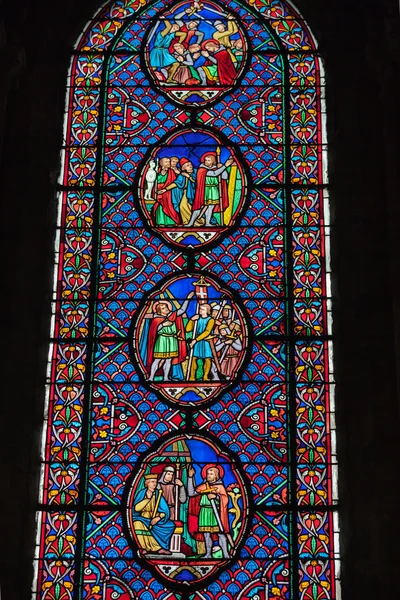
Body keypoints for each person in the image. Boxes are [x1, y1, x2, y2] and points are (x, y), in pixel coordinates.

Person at [187, 464, 231, 559]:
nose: (208, 475)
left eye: (211, 474)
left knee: (220, 533)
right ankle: (208, 554)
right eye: (207, 473)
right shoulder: (204, 486)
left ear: (216, 475)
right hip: (204, 512)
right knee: (206, 535)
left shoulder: (219, 487)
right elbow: (191, 493)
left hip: (216, 513)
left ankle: (226, 554)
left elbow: (225, 499)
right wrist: (190, 477)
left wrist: (216, 497)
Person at [144, 297, 192, 381]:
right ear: (159, 311)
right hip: (162, 340)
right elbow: (154, 331)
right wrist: (162, 325)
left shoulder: (172, 316)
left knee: (168, 360)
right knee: (157, 360)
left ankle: (166, 377)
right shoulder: (156, 319)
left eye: (166, 307)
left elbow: (182, 310)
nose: (166, 309)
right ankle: (151, 377)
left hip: (172, 340)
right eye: (163, 308)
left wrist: (188, 298)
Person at [132, 473, 175, 555]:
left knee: (171, 525)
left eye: (155, 482)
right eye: (152, 482)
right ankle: (143, 547)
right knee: (137, 524)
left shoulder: (158, 494)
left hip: (156, 519)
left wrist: (158, 517)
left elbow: (165, 510)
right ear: (147, 483)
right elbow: (136, 508)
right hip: (142, 518)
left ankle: (160, 548)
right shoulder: (142, 493)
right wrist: (147, 499)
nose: (154, 484)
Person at [187, 151, 233, 227]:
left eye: (208, 160)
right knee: (199, 207)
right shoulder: (202, 169)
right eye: (205, 160)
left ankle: (207, 223)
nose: (206, 162)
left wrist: (222, 168)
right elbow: (214, 174)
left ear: (213, 161)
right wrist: (225, 166)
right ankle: (190, 223)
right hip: (204, 190)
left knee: (210, 207)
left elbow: (225, 177)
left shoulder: (216, 168)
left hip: (214, 190)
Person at [186, 303, 216, 381]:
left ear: (207, 311)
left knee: (207, 359)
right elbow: (188, 329)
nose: (200, 310)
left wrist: (195, 340)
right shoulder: (196, 319)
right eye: (200, 309)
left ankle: (205, 376)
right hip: (196, 341)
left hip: (205, 341)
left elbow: (207, 332)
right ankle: (192, 377)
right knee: (193, 358)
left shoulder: (211, 320)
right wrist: (192, 320)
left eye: (202, 309)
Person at [154, 157, 180, 226]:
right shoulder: (157, 172)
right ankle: (161, 222)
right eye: (166, 162)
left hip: (169, 193)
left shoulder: (171, 172)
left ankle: (171, 222)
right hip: (158, 192)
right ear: (161, 164)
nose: (169, 163)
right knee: (160, 206)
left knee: (170, 206)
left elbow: (176, 182)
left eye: (169, 161)